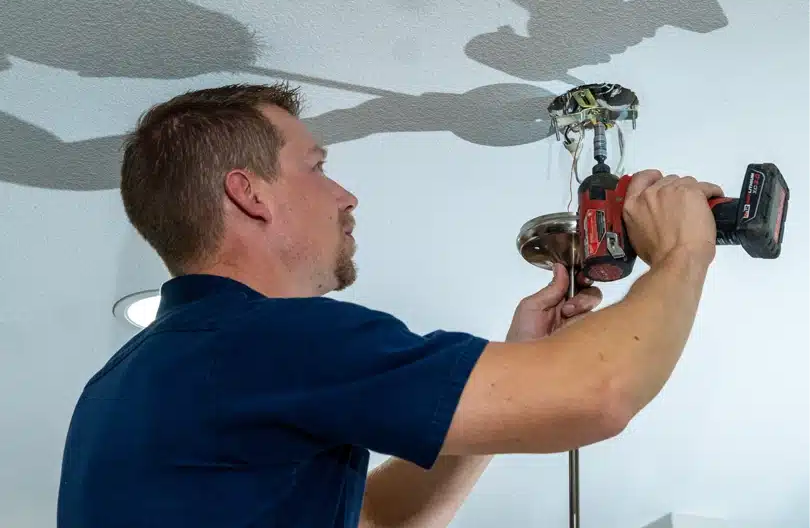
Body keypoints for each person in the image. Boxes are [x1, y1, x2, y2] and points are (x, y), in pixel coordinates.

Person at [56, 82, 723, 527]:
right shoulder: (264, 339)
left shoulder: (126, 382)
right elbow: (600, 394)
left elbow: (373, 522)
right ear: (249, 194)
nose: (345, 195)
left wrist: (519, 367)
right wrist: (684, 252)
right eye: (315, 168)